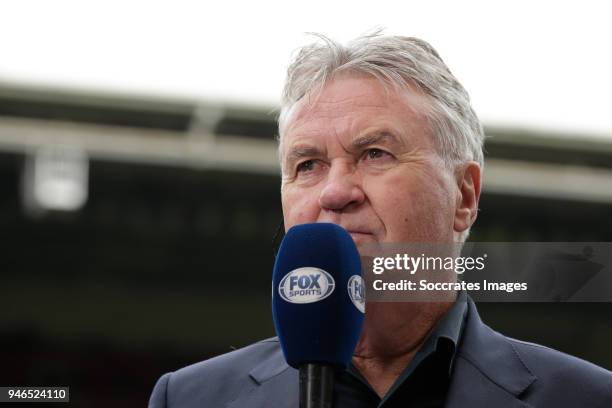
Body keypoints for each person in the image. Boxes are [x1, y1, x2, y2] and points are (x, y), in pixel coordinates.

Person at [149, 33, 612, 407]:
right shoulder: (191, 398)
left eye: (374, 154)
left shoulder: (585, 398)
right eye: (307, 164)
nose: (334, 192)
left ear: (464, 195)